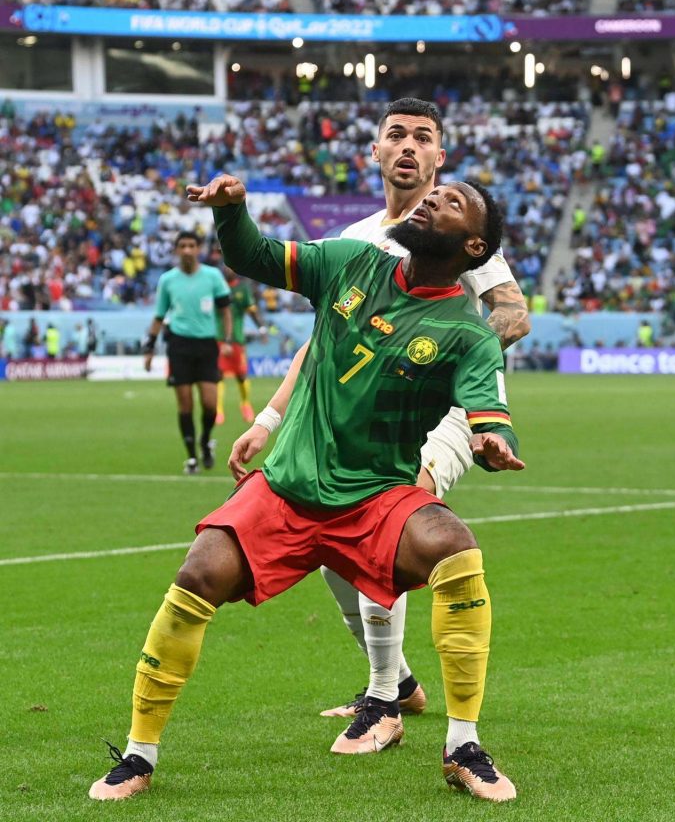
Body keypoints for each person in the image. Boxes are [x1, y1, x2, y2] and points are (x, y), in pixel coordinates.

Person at [89, 171, 524, 804]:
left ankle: (462, 745)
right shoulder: (351, 261)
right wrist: (232, 212)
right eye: (435, 193)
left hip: (377, 497)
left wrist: (491, 443)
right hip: (287, 488)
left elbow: (487, 413)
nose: (432, 197)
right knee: (198, 574)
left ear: (475, 249)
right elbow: (253, 255)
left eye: (452, 202)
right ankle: (138, 755)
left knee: (455, 546)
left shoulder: (468, 332)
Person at [229, 98, 530, 726]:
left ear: (439, 157)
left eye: (423, 137)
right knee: (332, 543)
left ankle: (382, 700)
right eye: (397, 135)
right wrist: (269, 420)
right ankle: (398, 681)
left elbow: (513, 312)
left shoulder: (456, 228)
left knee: (391, 509)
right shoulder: (356, 242)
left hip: (441, 409)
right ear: (376, 151)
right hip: (349, 418)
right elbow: (322, 347)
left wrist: (440, 356)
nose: (409, 146)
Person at [143, 231, 233, 475]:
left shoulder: (213, 276)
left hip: (206, 346)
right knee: (185, 405)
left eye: (191, 246)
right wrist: (149, 348)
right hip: (179, 346)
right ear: (176, 250)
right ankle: (192, 457)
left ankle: (205, 441)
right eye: (182, 246)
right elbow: (159, 316)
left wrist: (226, 339)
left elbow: (225, 311)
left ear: (199, 248)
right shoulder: (168, 280)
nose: (186, 250)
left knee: (210, 404)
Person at [215, 267, 268, 426]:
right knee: (218, 375)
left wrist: (262, 328)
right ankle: (218, 410)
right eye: (224, 266)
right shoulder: (216, 287)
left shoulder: (242, 288)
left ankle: (245, 403)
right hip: (218, 338)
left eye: (230, 266)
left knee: (241, 376)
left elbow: (252, 311)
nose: (227, 269)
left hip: (237, 339)